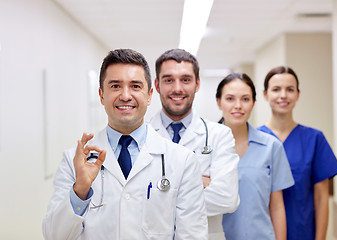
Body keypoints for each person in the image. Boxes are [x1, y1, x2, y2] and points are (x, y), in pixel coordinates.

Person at [42, 49, 208, 240]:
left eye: (135, 86)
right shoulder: (74, 161)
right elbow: (53, 235)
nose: (126, 95)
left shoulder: (182, 160)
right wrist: (79, 191)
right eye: (115, 86)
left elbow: (192, 235)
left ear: (149, 95)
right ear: (102, 95)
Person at [150, 49, 239, 240]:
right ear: (157, 85)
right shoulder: (141, 136)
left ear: (197, 84)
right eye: (168, 80)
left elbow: (227, 198)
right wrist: (195, 183)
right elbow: (132, 200)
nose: (177, 89)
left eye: (186, 79)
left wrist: (160, 192)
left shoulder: (219, 135)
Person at [258, 66, 337, 240]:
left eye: (290, 89)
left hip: (302, 233)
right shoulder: (254, 140)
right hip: (261, 233)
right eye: (276, 89)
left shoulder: (314, 139)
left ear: (298, 94)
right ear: (265, 94)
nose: (283, 95)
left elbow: (321, 198)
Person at [216, 73, 294, 239]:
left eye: (245, 99)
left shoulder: (272, 147)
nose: (238, 106)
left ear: (253, 103)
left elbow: (277, 206)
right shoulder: (204, 147)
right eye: (230, 99)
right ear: (218, 102)